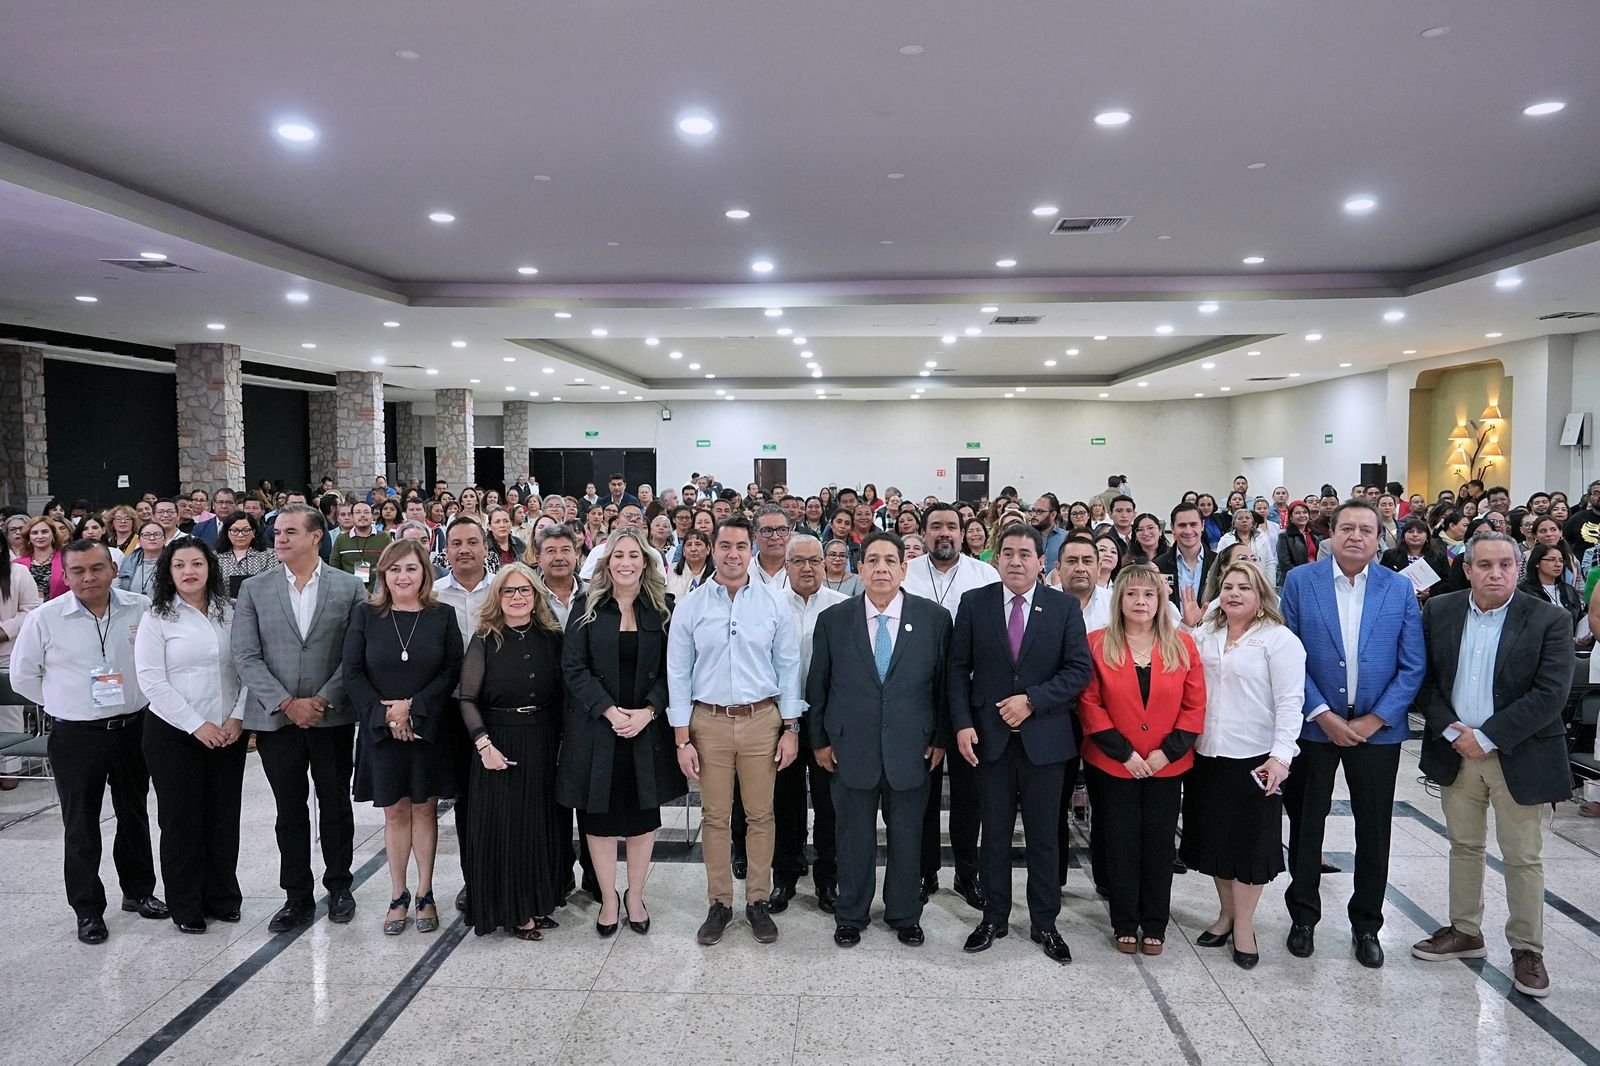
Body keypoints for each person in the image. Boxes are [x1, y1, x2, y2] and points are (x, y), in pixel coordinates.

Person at [1407, 532, 1573, 998]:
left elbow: (1550, 694)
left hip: (1519, 753)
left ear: (1519, 568)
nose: (1495, 573)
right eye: (1484, 565)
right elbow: (1425, 681)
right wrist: (1453, 731)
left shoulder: (1549, 618)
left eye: (1505, 564)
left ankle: (1527, 948)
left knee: (1522, 856)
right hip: (1457, 750)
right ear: (1467, 569)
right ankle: (1465, 930)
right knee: (1464, 845)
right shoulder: (1440, 611)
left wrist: (1487, 736)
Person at [1279, 498, 1425, 968]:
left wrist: (1375, 719)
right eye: (1347, 528)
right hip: (1315, 727)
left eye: (1366, 529)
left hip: (1376, 731)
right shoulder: (1301, 581)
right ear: (1331, 534)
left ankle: (1367, 925)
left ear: (1379, 538)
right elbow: (1287, 655)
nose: (1356, 536)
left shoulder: (1397, 588)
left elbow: (1412, 664)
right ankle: (1303, 917)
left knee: (1374, 829)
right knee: (1307, 824)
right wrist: (1322, 713)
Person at [9, 540, 167, 942]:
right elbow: (24, 677)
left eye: (97, 568)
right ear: (65, 575)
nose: (88, 577)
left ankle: (139, 892)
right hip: (76, 735)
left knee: (134, 814)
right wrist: (66, 702)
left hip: (133, 728)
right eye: (78, 571)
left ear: (113, 569)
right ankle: (87, 909)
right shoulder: (45, 618)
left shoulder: (140, 608)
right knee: (81, 822)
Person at [949, 523, 1092, 963]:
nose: (1015, 561)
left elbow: (1078, 670)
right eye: (1007, 553)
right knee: (993, 834)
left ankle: (1045, 922)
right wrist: (962, 724)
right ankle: (993, 917)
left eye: (1025, 554)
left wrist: (1032, 700)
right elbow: (957, 668)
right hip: (989, 742)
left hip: (1045, 742)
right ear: (996, 559)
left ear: (1041, 562)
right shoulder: (974, 603)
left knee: (1045, 837)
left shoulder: (1063, 607)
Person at [808, 531, 951, 948]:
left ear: (904, 569)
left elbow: (944, 686)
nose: (881, 568)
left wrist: (940, 737)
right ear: (860, 568)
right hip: (850, 746)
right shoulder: (834, 620)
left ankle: (905, 912)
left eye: (890, 561)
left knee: (907, 835)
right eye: (872, 560)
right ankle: (851, 913)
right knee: (853, 836)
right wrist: (819, 740)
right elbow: (819, 685)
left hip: (913, 746)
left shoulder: (934, 618)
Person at [667, 515, 803, 946]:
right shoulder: (691, 606)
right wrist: (682, 738)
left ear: (752, 550)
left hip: (762, 720)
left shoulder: (775, 604)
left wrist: (791, 727)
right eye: (725, 546)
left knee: (761, 815)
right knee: (715, 817)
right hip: (708, 722)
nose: (733, 554)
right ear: (713, 550)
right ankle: (719, 903)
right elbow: (677, 672)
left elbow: (788, 667)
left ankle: (757, 900)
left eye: (741, 546)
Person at [231, 504, 368, 932]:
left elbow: (356, 653)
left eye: (290, 531)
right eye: (277, 532)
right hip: (277, 720)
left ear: (316, 536)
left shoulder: (348, 587)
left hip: (332, 717)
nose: (280, 538)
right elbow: (245, 655)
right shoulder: (254, 588)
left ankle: (340, 885)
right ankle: (296, 895)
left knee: (335, 804)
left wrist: (322, 699)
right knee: (289, 809)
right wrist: (287, 703)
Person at [1077, 564, 1206, 955]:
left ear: (1160, 600)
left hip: (1167, 764)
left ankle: (1154, 923)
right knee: (1119, 842)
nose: (1140, 601)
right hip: (1113, 763)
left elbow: (1194, 705)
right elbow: (1089, 703)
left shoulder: (1182, 645)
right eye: (1132, 594)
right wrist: (1126, 754)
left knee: (1159, 844)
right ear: (1119, 599)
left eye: (1149, 594)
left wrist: (1166, 753)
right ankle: (1124, 921)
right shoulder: (1097, 643)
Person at [560, 528, 682, 937]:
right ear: (606, 563)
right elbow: (573, 668)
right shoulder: (586, 607)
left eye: (633, 555)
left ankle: (635, 896)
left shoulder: (663, 608)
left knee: (642, 818)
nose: (625, 562)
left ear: (646, 562)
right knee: (599, 819)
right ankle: (609, 899)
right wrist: (610, 712)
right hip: (598, 727)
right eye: (618, 555)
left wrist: (649, 711)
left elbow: (674, 669)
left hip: (645, 729)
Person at [1184, 560, 1306, 970]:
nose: (1234, 594)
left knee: (1250, 846)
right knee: (1217, 842)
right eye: (1228, 587)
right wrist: (1188, 626)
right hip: (1208, 754)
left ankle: (1245, 925)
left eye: (1244, 588)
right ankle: (1226, 914)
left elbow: (1290, 702)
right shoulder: (1206, 633)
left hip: (1256, 757)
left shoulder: (1279, 640)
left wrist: (1281, 756)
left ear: (1261, 596)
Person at [344, 538, 464, 935]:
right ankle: (398, 894)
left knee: (425, 810)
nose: (402, 576)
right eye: (394, 569)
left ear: (424, 573)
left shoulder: (442, 616)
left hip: (427, 727)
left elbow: (451, 670)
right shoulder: (366, 615)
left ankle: (426, 892)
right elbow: (352, 672)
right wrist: (385, 715)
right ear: (383, 574)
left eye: (411, 568)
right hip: (381, 731)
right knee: (394, 812)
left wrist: (412, 707)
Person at [132, 536, 247, 934]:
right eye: (179, 565)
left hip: (228, 733)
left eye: (196, 563)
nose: (189, 572)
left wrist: (238, 717)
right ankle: (186, 904)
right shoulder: (157, 617)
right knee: (182, 822)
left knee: (223, 819)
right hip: (174, 734)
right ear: (168, 572)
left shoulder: (230, 610)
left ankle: (223, 897)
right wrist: (197, 725)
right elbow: (152, 681)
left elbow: (248, 667)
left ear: (210, 568)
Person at [458, 563, 566, 941]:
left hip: (544, 738)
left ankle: (536, 901)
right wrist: (483, 744)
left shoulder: (552, 637)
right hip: (499, 741)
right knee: (507, 830)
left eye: (525, 590)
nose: (517, 597)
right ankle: (514, 911)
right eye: (509, 591)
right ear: (497, 597)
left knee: (539, 826)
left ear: (535, 596)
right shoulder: (485, 639)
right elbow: (467, 698)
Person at [902, 502, 1000, 909]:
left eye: (952, 527)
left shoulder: (985, 575)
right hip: (917, 697)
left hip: (970, 699)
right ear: (924, 533)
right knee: (921, 792)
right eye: (936, 526)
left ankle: (966, 873)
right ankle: (925, 872)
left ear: (963, 533)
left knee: (969, 794)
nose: (944, 533)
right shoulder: (906, 573)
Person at [775, 533, 849, 913]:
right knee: (783, 803)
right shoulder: (769, 604)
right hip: (779, 720)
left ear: (825, 564)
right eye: (799, 561)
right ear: (786, 565)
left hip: (828, 721)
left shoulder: (844, 607)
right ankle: (784, 877)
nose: (807, 568)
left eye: (814, 560)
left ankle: (827, 880)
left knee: (829, 805)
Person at [0, 533, 41, 789]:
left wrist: (4, 631)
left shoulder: (18, 573)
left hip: (7, 651)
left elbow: (31, 610)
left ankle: (10, 768)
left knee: (8, 713)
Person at [1519, 542, 1584, 633]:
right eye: (1552, 560)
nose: (1558, 564)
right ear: (1537, 563)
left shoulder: (1569, 590)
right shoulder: (1523, 591)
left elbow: (1579, 619)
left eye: (1561, 561)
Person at [214, 512, 276, 594]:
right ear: (227, 533)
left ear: (253, 532)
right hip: (224, 601)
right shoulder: (215, 556)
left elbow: (272, 583)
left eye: (246, 530)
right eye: (234, 531)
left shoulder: (269, 555)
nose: (240, 535)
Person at [22, 516, 67, 601]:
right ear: (29, 537)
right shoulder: (17, 564)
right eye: (34, 533)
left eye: (44, 532)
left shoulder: (67, 560)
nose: (40, 536)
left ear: (53, 534)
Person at [750, 504, 792, 590]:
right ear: (754, 536)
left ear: (790, 534)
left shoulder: (802, 570)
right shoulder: (744, 571)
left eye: (782, 530)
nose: (775, 537)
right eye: (767, 531)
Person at [665, 529, 713, 602]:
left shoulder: (716, 576)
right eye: (689, 545)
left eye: (698, 544)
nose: (693, 549)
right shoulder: (669, 571)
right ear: (683, 551)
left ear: (708, 550)